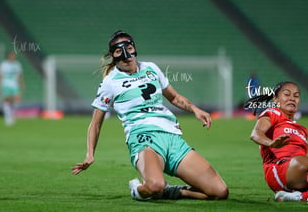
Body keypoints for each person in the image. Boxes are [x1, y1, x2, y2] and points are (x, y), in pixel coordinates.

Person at [71, 30, 229, 201]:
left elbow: (174, 97)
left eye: (129, 48)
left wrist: (195, 109)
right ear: (112, 56)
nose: (126, 55)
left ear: (134, 49)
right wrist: (90, 154)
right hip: (143, 138)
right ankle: (138, 190)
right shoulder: (110, 82)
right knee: (155, 185)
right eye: (119, 51)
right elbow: (95, 123)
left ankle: (172, 192)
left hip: (172, 137)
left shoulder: (151, 68)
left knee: (220, 192)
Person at [0, 51, 24, 126]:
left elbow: (20, 75)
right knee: (7, 100)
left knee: (17, 100)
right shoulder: (4, 64)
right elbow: (0, 75)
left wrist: (22, 84)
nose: (13, 57)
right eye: (11, 56)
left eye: (13, 56)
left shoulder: (17, 64)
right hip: (6, 83)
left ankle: (12, 114)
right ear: (8, 56)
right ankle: (7, 117)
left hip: (15, 84)